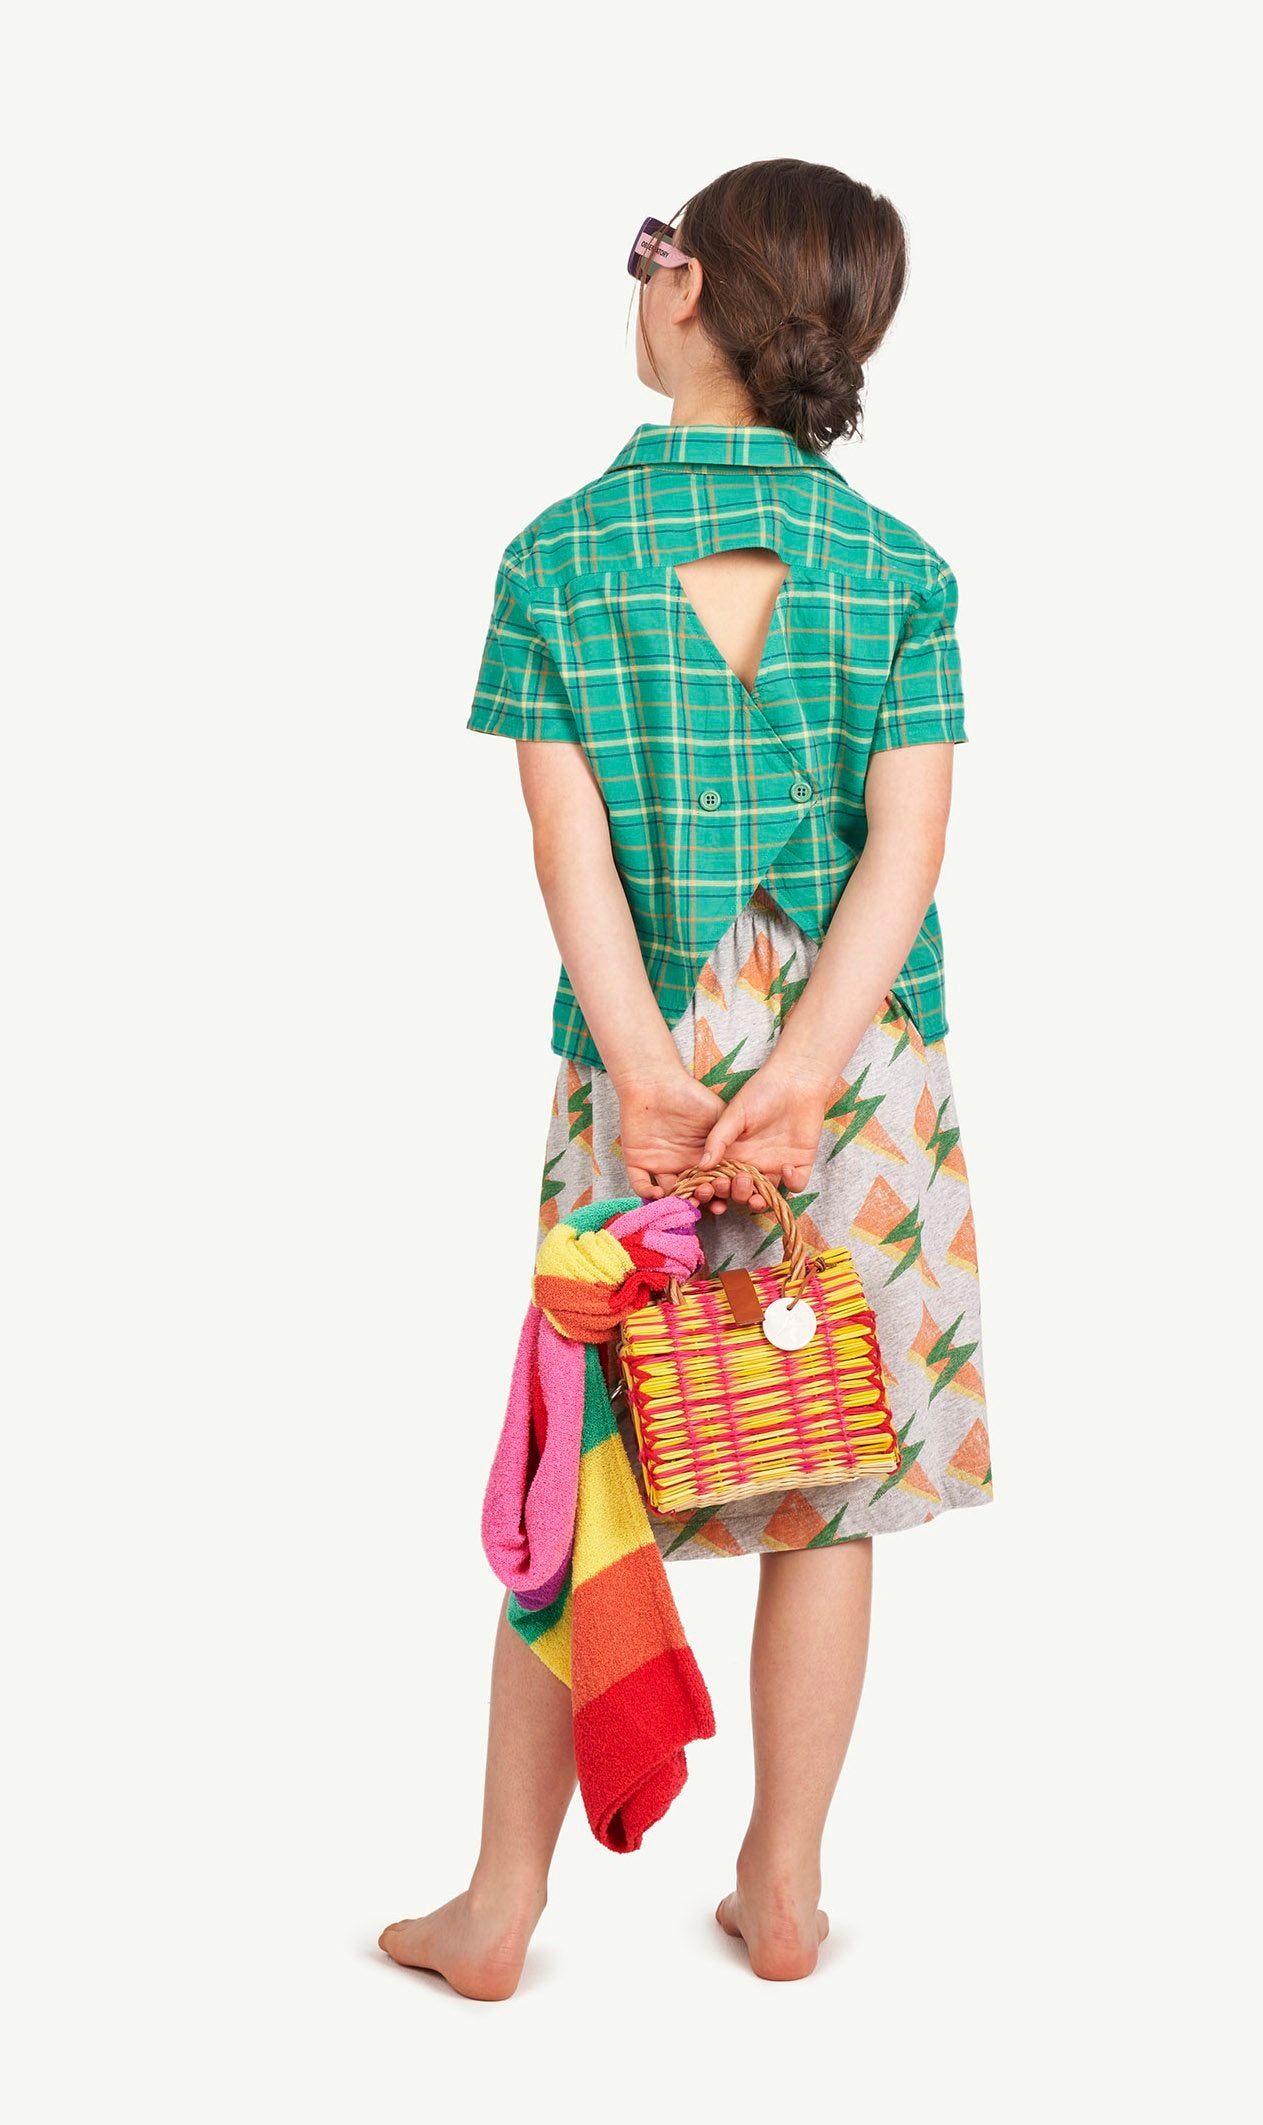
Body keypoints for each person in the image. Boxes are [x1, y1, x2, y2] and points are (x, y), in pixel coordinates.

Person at [379, 157, 992, 1997]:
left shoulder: (554, 556)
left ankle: (501, 1902)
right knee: (834, 1475)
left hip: (640, 1056)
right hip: (853, 1068)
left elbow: (565, 849)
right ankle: (782, 1888)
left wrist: (650, 1071)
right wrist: (799, 1075)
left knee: (581, 1476)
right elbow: (906, 851)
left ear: (685, 291)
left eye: (650, 254)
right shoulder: (901, 569)